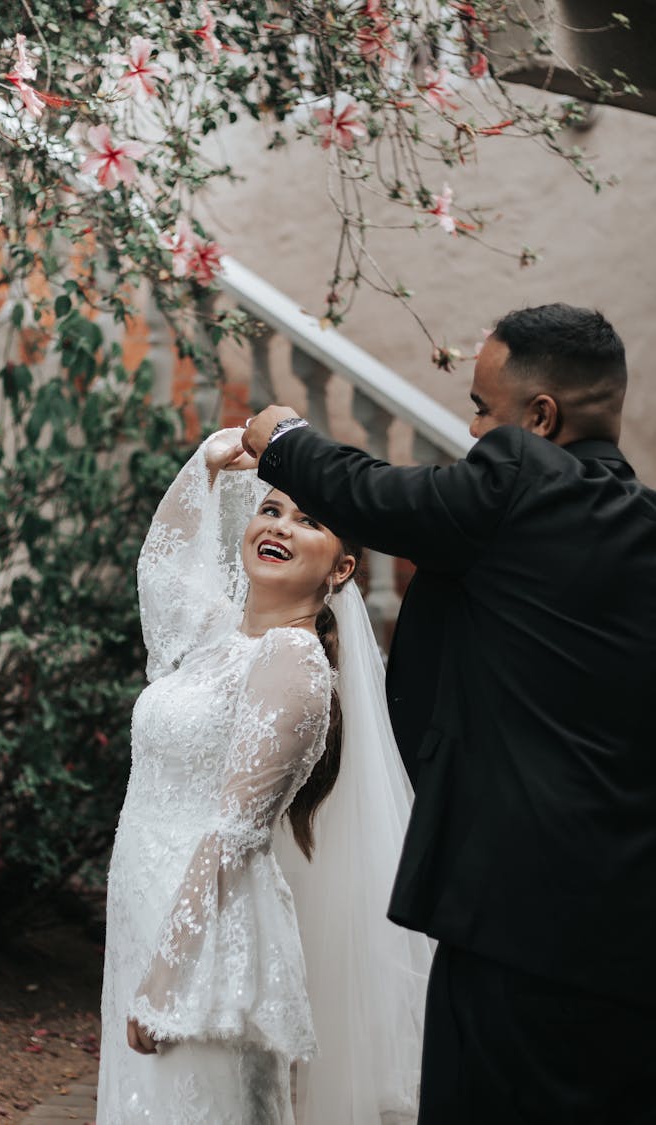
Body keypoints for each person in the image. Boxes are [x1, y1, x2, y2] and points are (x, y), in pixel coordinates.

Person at [243, 303, 656, 1125]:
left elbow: (376, 494)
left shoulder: (520, 482)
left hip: (513, 912)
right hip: (629, 928)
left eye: (481, 407)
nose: (471, 431)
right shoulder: (639, 530)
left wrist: (280, 435)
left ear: (538, 419)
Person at [97, 427, 432, 1124]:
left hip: (203, 943)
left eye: (309, 520)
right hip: (147, 908)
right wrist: (208, 465)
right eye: (272, 509)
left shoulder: (293, 663)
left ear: (342, 570)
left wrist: (169, 979)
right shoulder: (218, 633)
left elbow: (234, 833)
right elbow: (160, 571)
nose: (280, 525)